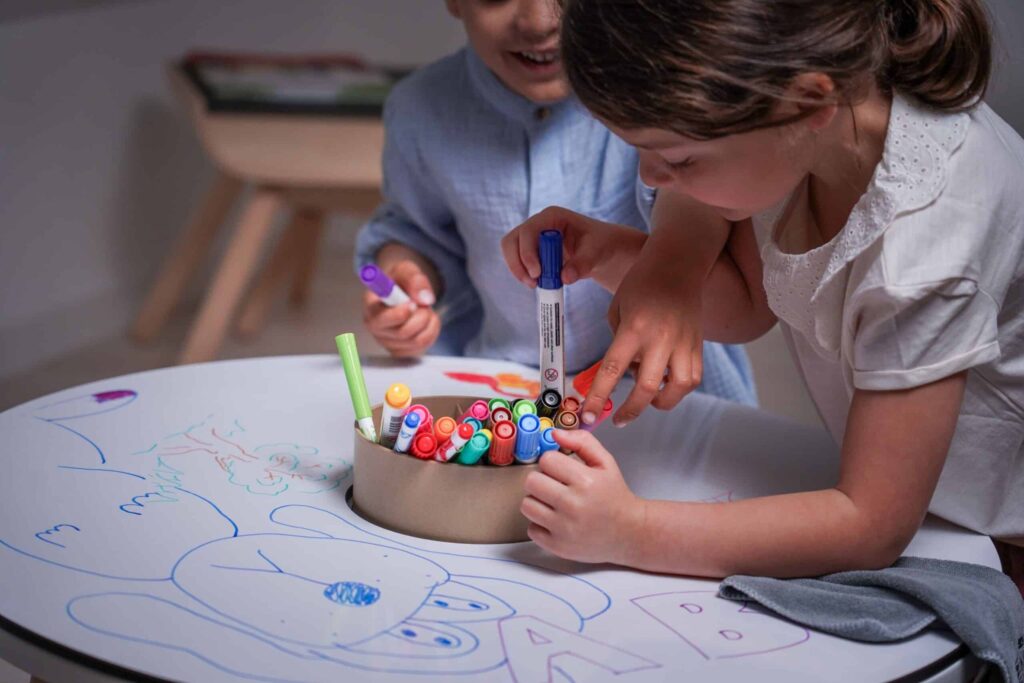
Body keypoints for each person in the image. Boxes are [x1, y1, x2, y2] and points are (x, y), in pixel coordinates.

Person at [504, 0, 1024, 592]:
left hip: (998, 545)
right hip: (933, 516)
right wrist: (625, 259)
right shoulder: (803, 129)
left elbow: (870, 526)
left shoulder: (924, 251)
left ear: (808, 103)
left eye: (677, 158)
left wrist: (629, 529)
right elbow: (751, 305)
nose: (649, 179)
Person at [355, 0, 757, 406]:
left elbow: (693, 197)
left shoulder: (660, 86)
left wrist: (669, 269)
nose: (539, 21)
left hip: (670, 396)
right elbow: (416, 231)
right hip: (504, 389)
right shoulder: (420, 109)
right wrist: (404, 274)